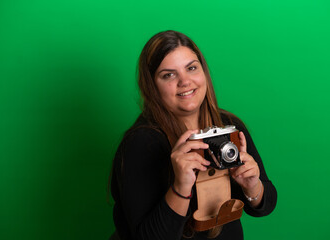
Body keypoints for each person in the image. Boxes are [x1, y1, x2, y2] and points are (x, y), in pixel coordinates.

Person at [110, 30, 277, 240]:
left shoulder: (230, 126)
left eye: (191, 68)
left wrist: (253, 186)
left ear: (204, 72)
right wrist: (180, 185)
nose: (185, 81)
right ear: (152, 86)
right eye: (168, 75)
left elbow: (265, 204)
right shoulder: (141, 143)